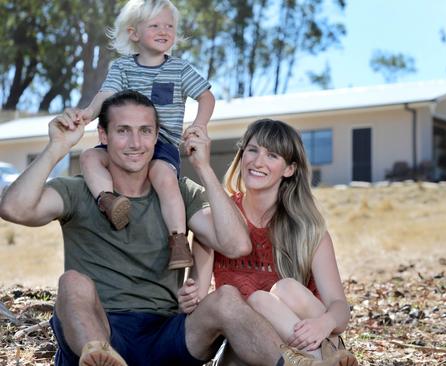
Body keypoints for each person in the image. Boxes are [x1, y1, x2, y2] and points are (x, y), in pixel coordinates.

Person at [0, 91, 355, 366]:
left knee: (229, 299)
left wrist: (201, 167)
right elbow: (13, 208)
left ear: (157, 138)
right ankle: (101, 356)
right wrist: (56, 148)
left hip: (166, 334)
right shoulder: (78, 191)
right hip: (103, 328)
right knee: (72, 283)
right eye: (123, 131)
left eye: (145, 132)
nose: (135, 143)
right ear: (103, 135)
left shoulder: (180, 193)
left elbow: (234, 244)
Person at [178, 119, 358, 365]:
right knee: (253, 305)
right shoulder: (218, 221)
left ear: (289, 169)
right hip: (249, 340)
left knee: (284, 290)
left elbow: (339, 307)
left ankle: (319, 358)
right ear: (241, 156)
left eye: (272, 155)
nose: (258, 161)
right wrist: (189, 297)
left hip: (310, 335)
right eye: (252, 150)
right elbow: (197, 300)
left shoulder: (309, 230)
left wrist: (322, 324)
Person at [77, 0, 215, 270]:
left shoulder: (180, 69)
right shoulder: (121, 68)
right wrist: (88, 113)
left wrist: (199, 125)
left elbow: (206, 97)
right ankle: (108, 200)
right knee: (89, 157)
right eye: (155, 25)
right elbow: (106, 95)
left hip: (163, 142)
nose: (164, 30)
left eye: (169, 26)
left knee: (164, 176)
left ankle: (177, 240)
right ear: (134, 33)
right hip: (127, 141)